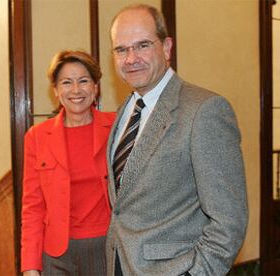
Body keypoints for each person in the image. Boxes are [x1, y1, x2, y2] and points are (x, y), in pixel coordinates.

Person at [106, 4, 248, 276]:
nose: (131, 58)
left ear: (167, 47)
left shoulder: (204, 110)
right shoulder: (125, 111)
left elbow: (229, 222)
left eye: (143, 45)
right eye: (121, 49)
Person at [21, 50, 116, 275]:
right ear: (55, 90)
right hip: (56, 255)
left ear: (95, 87)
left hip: (106, 248)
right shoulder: (37, 137)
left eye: (83, 81)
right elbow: (32, 207)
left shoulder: (116, 127)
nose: (75, 90)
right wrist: (30, 267)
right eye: (66, 82)